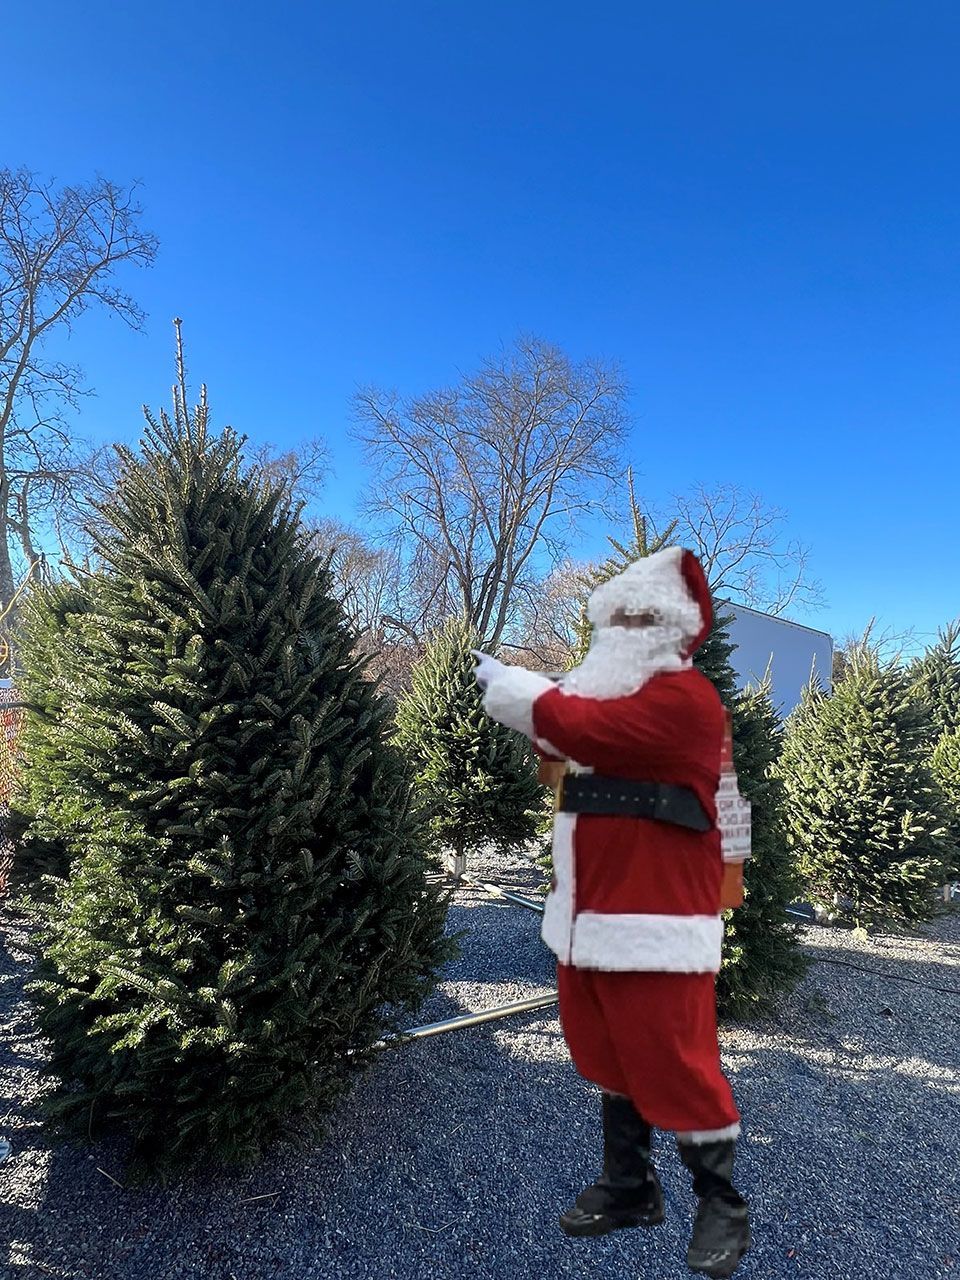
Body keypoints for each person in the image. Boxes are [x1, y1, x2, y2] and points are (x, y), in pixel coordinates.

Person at [472, 545, 750, 1279]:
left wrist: (524, 694)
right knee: (607, 1053)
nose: (621, 630)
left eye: (638, 617)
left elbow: (583, 728)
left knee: (676, 1063)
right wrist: (531, 697)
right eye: (615, 617)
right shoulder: (607, 693)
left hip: (656, 923)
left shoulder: (686, 701)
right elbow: (563, 733)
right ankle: (630, 1186)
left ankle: (721, 1204)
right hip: (585, 918)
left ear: (672, 627)